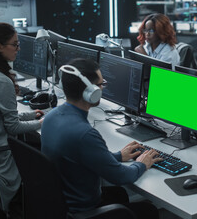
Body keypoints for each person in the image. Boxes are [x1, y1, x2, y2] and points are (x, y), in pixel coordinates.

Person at [40, 58, 162, 218]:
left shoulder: (51, 117)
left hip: (63, 204)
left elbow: (77, 156)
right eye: (100, 84)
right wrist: (141, 164)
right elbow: (121, 177)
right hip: (84, 211)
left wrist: (118, 156)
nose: (102, 88)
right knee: (149, 210)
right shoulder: (84, 134)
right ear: (91, 92)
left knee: (119, 195)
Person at [0, 22, 44, 218]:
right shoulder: (0, 80)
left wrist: (32, 114)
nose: (18, 49)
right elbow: (12, 127)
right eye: (15, 44)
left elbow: (0, 117)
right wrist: (41, 124)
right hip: (0, 152)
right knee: (49, 156)